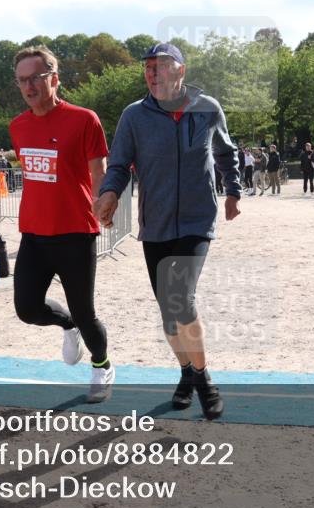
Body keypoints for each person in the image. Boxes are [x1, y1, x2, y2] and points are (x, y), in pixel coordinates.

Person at [94, 42, 241, 420]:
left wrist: (233, 190)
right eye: (148, 67)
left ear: (181, 71)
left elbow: (226, 152)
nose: (152, 73)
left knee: (181, 298)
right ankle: (186, 371)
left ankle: (204, 380)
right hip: (156, 224)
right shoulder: (134, 116)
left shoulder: (207, 108)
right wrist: (109, 193)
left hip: (197, 220)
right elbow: (119, 164)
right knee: (168, 313)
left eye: (160, 66)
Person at [8, 46, 114, 402]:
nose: (28, 87)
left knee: (86, 313)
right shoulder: (18, 126)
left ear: (53, 78)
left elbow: (98, 171)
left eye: (35, 78)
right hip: (34, 233)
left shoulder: (84, 120)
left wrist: (102, 203)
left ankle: (102, 365)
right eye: (22, 80)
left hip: (75, 232)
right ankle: (66, 324)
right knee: (27, 309)